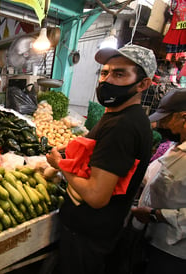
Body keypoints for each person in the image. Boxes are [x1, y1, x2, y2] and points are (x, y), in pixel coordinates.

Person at [46, 44, 156, 274]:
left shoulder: (123, 126)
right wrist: (71, 148)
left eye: (119, 74)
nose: (106, 81)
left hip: (88, 237)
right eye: (104, 72)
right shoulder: (120, 115)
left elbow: (97, 196)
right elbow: (99, 151)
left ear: (143, 84)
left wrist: (60, 165)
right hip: (96, 230)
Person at [131, 89, 186, 274]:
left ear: (184, 117)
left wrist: (155, 214)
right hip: (151, 239)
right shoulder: (176, 147)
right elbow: (152, 177)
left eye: (166, 118)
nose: (160, 124)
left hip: (173, 252)